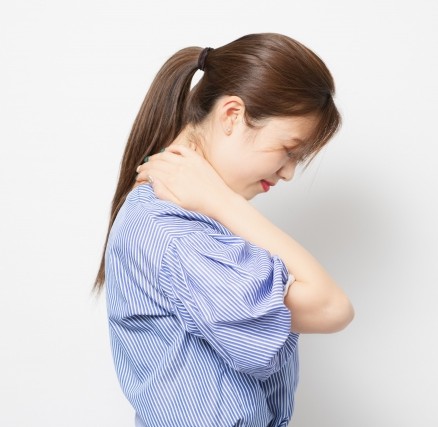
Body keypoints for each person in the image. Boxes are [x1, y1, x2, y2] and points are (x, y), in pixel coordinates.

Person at [95, 32, 354, 427]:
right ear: (232, 115)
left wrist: (218, 204)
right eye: (289, 150)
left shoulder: (178, 217)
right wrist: (224, 203)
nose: (288, 172)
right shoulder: (177, 232)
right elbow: (331, 308)